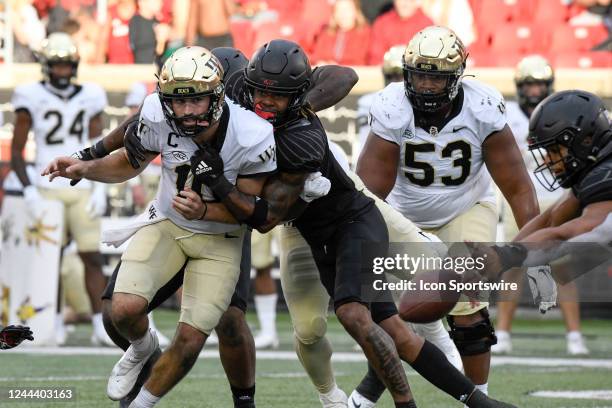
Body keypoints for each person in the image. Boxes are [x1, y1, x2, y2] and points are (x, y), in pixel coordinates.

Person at [197, 39, 517, 408]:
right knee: (310, 330)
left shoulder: (298, 133)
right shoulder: (223, 108)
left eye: (280, 95)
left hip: (341, 211)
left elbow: (265, 212)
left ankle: (458, 386)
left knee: (432, 273)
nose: (264, 101)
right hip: (301, 229)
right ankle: (333, 398)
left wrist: (219, 183)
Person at [42, 46, 277, 408]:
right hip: (169, 221)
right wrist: (85, 167)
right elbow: (131, 161)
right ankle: (143, 347)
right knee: (120, 310)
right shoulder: (156, 112)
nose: (185, 111)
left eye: (195, 101)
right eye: (177, 102)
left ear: (216, 95)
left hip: (220, 238)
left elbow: (253, 212)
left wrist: (206, 210)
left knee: (195, 333)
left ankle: (146, 404)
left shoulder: (252, 133)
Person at [354, 26, 539, 407]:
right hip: (404, 214)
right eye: (418, 74)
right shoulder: (392, 106)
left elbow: (518, 186)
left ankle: (479, 399)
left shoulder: (483, 106)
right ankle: (369, 392)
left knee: (469, 304)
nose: (423, 85)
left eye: (435, 77)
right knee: (393, 315)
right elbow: (371, 193)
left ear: (456, 77)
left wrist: (531, 245)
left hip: (466, 205)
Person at [470, 89, 612, 320]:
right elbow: (551, 218)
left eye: (555, 150)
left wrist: (506, 257)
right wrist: (500, 255)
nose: (548, 160)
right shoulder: (596, 168)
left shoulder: (604, 177)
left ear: (586, 140)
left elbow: (572, 233)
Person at [10, 32, 112, 346]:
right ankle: (50, 322)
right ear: (46, 66)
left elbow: (97, 146)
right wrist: (28, 191)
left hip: (81, 184)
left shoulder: (91, 95)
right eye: (58, 65)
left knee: (92, 257)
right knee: (47, 261)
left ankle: (99, 325)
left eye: (68, 65)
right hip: (46, 184)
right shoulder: (29, 95)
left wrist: (99, 186)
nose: (63, 71)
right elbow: (17, 150)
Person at [495, 55, 590, 356]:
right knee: (513, 268)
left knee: (562, 270)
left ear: (549, 85)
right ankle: (502, 333)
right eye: (529, 83)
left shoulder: (560, 110)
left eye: (539, 83)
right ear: (519, 86)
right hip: (519, 198)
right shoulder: (505, 113)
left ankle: (575, 336)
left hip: (556, 197)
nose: (535, 89)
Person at [367, 0, 433, 65]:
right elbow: (375, 60)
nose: (404, 3)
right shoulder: (381, 23)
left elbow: (431, 62)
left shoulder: (428, 26)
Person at [310, 0, 371, 66]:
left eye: (347, 10)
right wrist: (320, 63)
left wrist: (338, 67)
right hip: (326, 74)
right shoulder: (327, 33)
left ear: (355, 11)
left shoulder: (364, 33)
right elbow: (315, 57)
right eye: (339, 10)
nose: (343, 14)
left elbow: (363, 61)